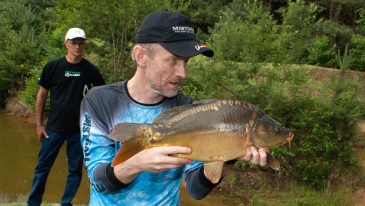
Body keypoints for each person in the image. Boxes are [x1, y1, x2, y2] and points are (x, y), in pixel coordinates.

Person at [80, 11, 267, 205]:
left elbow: (196, 189)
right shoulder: (101, 101)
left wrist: (228, 154)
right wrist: (136, 163)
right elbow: (99, 182)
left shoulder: (190, 110)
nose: (182, 73)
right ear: (141, 56)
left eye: (185, 61)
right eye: (173, 60)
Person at [27, 28, 105, 206]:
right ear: (66, 44)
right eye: (73, 42)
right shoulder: (53, 66)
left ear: (84, 44)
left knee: (75, 170)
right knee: (42, 168)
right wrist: (38, 125)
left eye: (80, 43)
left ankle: (66, 202)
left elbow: (102, 96)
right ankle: (33, 203)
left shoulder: (91, 70)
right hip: (53, 129)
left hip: (79, 131)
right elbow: (41, 95)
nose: (77, 46)